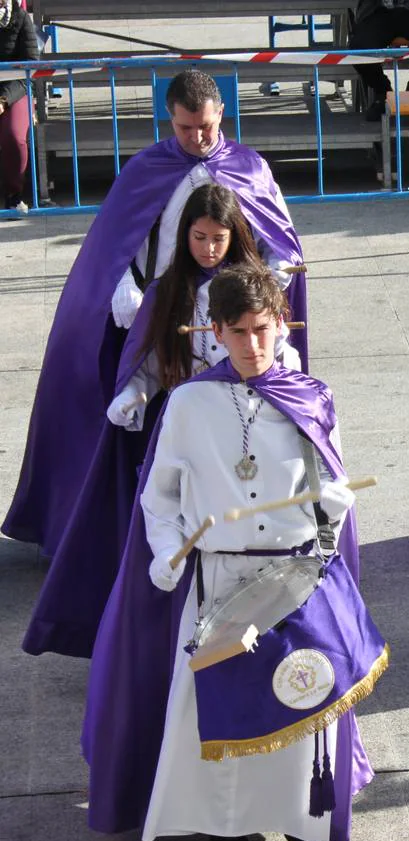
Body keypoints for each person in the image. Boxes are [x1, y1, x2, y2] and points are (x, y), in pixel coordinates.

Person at [82, 264, 386, 841]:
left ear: (281, 326)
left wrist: (332, 504)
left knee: (306, 710)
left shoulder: (311, 395)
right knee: (218, 719)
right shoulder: (190, 403)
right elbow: (160, 497)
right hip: (219, 580)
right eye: (239, 331)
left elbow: (333, 482)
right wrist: (165, 553)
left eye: (264, 330)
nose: (253, 344)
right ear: (215, 331)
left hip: (298, 578)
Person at [2, 70, 306, 562]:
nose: (198, 137)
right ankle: (133, 538)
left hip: (229, 316)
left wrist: (266, 290)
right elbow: (112, 243)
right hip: (159, 310)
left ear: (221, 114)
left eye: (205, 126)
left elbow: (280, 246)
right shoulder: (147, 168)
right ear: (171, 118)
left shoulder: (249, 168)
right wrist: (124, 291)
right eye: (187, 128)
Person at [22, 184, 300, 659]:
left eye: (219, 239)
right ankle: (168, 630)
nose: (210, 249)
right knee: (174, 511)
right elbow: (151, 360)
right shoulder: (168, 290)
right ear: (184, 235)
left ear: (235, 236)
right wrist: (135, 392)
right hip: (190, 423)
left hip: (250, 422)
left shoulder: (255, 289)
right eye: (199, 238)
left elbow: (277, 350)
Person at [0, 0, 38, 210]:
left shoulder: (21, 18)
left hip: (16, 89)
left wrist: (3, 100)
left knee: (13, 135)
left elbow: (31, 68)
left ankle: (13, 194)